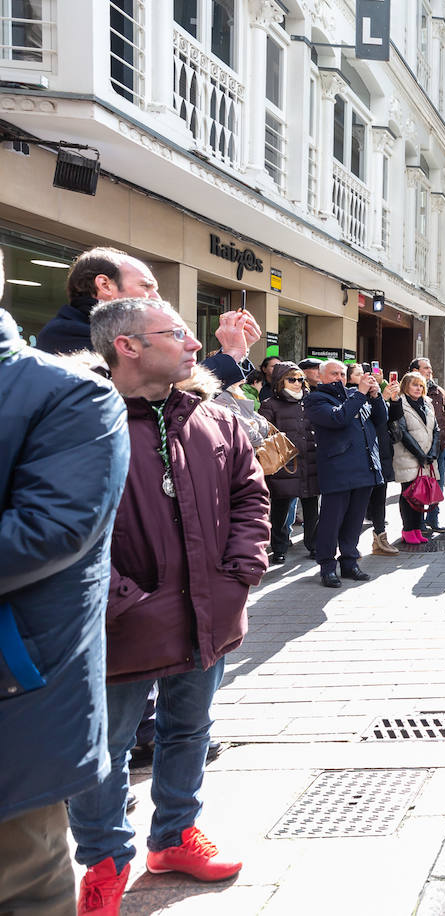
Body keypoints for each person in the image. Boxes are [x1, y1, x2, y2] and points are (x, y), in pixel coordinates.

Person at [72, 298, 269, 911]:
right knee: (105, 746)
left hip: (208, 611)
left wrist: (239, 573)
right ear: (127, 346)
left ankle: (176, 833)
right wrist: (121, 600)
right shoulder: (79, 419)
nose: (194, 343)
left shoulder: (214, 417)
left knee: (190, 729)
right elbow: (67, 527)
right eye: (177, 333)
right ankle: (105, 860)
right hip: (122, 621)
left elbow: (249, 497)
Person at [0, 286, 130, 916]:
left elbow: (49, 532)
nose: (190, 340)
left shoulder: (68, 394)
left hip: (18, 694)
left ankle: (121, 852)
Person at [36, 246, 258, 391]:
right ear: (105, 285)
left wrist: (234, 353)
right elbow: (161, 393)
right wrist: (231, 355)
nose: (156, 298)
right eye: (145, 286)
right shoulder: (67, 334)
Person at [305, 360, 389, 588]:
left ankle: (350, 563)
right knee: (331, 522)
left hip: (364, 468)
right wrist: (361, 394)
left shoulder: (355, 395)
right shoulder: (315, 399)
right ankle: (327, 567)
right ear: (321, 377)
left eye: (342, 373)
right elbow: (338, 419)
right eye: (334, 373)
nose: (339, 377)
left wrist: (376, 395)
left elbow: (381, 420)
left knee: (355, 521)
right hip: (337, 470)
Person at [257, 363, 320, 564]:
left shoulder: (309, 402)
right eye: (291, 379)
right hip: (285, 463)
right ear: (279, 381)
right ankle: (279, 548)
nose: (297, 384)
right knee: (280, 509)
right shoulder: (270, 404)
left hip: (310, 461)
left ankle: (314, 545)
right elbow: (265, 434)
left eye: (300, 379)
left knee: (312, 507)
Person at [391, 371, 441, 545]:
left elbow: (436, 429)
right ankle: (407, 530)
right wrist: (419, 454)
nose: (418, 388)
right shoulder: (400, 403)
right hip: (408, 455)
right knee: (408, 494)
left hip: (427, 457)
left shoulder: (427, 403)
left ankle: (417, 529)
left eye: (421, 385)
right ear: (406, 386)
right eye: (414, 385)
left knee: (421, 494)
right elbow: (401, 432)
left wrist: (434, 451)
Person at [410, 358, 445, 532]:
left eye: (430, 368)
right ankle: (416, 523)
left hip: (439, 446)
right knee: (418, 485)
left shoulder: (438, 391)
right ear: (414, 370)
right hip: (417, 449)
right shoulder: (409, 391)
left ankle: (433, 520)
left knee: (438, 484)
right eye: (425, 368)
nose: (429, 371)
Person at [366, 376, 403, 556]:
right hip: (364, 455)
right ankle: (345, 545)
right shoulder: (355, 396)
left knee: (380, 498)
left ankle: (380, 539)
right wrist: (381, 398)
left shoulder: (376, 396)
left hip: (382, 453)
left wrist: (393, 399)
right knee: (358, 503)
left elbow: (392, 418)